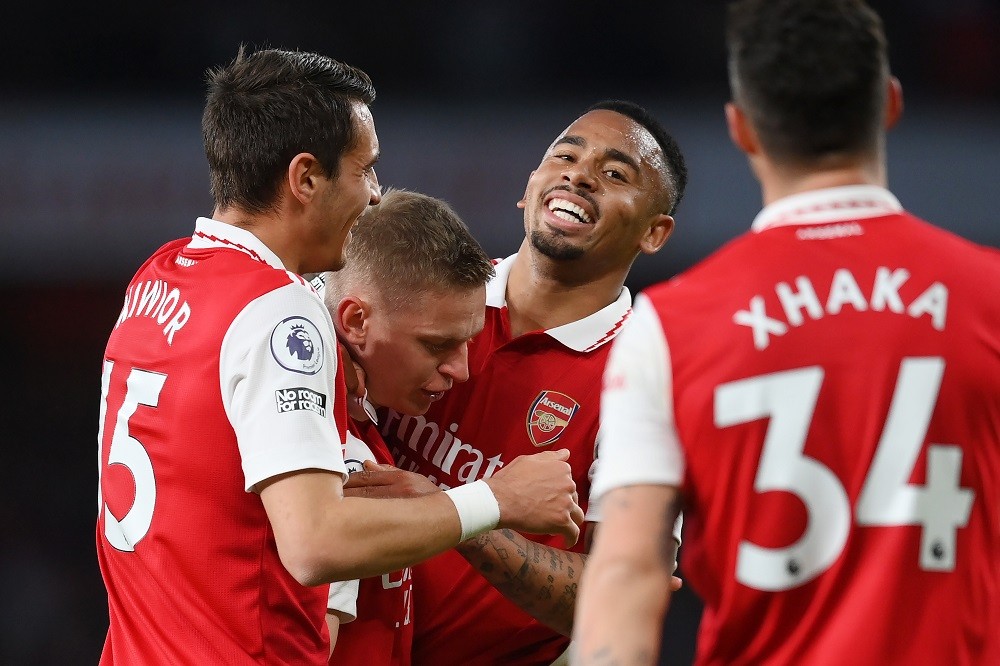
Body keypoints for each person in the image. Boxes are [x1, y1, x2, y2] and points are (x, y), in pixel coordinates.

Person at [95, 48, 584, 665]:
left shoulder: (158, 278)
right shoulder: (280, 310)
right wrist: (495, 501)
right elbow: (315, 540)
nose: (375, 195)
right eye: (366, 169)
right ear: (305, 179)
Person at [574, 1, 1000, 664]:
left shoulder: (671, 325)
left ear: (741, 128)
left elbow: (627, 574)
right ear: (890, 105)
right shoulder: (988, 295)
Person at [355, 100, 689, 664]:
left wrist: (461, 516)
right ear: (529, 187)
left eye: (614, 174)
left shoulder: (648, 386)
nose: (578, 175)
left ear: (655, 232)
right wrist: (486, 503)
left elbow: (616, 601)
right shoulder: (411, 296)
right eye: (565, 155)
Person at [316, 187, 497, 665]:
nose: (461, 371)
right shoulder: (322, 442)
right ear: (354, 320)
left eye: (468, 342)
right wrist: (498, 501)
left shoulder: (348, 394)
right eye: (437, 345)